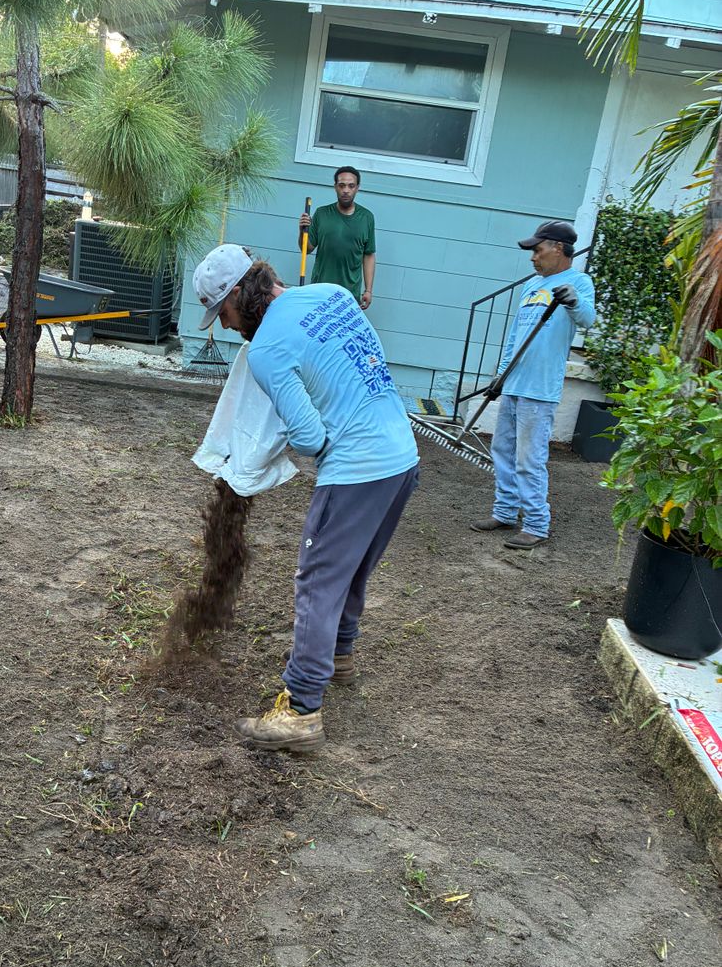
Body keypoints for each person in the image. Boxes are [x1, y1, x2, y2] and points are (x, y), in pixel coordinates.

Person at [193, 242, 419, 753]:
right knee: (352, 568)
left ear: (238, 294)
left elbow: (312, 437)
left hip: (357, 469)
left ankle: (300, 710)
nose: (225, 325)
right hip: (402, 458)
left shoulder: (267, 349)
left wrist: (276, 445)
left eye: (222, 312)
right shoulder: (331, 294)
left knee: (317, 582)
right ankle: (339, 655)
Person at [470, 220, 596, 549]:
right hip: (514, 382)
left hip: (540, 389)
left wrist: (573, 301)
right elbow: (515, 336)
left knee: (529, 458)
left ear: (558, 248)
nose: (533, 258)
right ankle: (505, 512)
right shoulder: (531, 285)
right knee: (502, 450)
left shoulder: (579, 281)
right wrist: (501, 375)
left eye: (538, 250)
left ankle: (537, 525)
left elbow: (588, 319)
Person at [297, 166, 375, 309]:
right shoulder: (322, 214)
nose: (346, 190)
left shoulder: (366, 217)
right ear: (335, 187)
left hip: (349, 294)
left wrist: (368, 290)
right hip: (320, 290)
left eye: (351, 186)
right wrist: (302, 231)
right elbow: (306, 249)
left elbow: (369, 255)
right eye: (342, 185)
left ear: (357, 188)